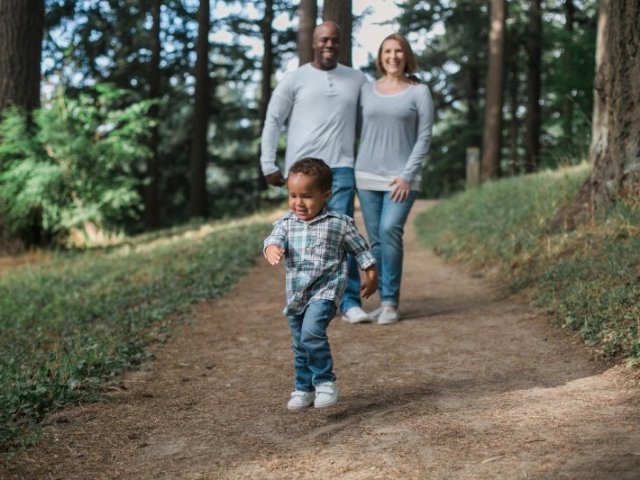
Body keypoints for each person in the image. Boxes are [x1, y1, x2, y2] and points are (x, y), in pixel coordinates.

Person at [260, 21, 372, 324]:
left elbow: (374, 116)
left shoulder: (358, 79)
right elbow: (273, 120)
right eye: (323, 39)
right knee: (300, 239)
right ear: (313, 42)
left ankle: (349, 303)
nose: (329, 44)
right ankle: (308, 298)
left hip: (342, 168)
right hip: (302, 171)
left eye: (335, 40)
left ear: (341, 43)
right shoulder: (294, 79)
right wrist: (268, 164)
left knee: (343, 235)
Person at [264, 158, 378, 411]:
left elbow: (361, 251)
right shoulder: (286, 223)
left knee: (312, 333)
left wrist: (371, 275)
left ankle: (325, 382)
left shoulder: (338, 223)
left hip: (325, 292)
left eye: (306, 196)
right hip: (296, 295)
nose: (298, 203)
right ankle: (304, 388)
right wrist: (272, 248)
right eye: (293, 196)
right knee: (299, 344)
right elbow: (273, 238)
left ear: (325, 195)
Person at [355, 33, 434, 325]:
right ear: (380, 57)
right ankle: (383, 299)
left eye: (398, 51)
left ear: (406, 55)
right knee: (375, 240)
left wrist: (406, 175)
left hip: (402, 179)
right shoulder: (366, 90)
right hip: (366, 175)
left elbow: (425, 137)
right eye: (387, 51)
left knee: (390, 230)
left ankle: (391, 303)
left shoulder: (419, 92)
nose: (393, 56)